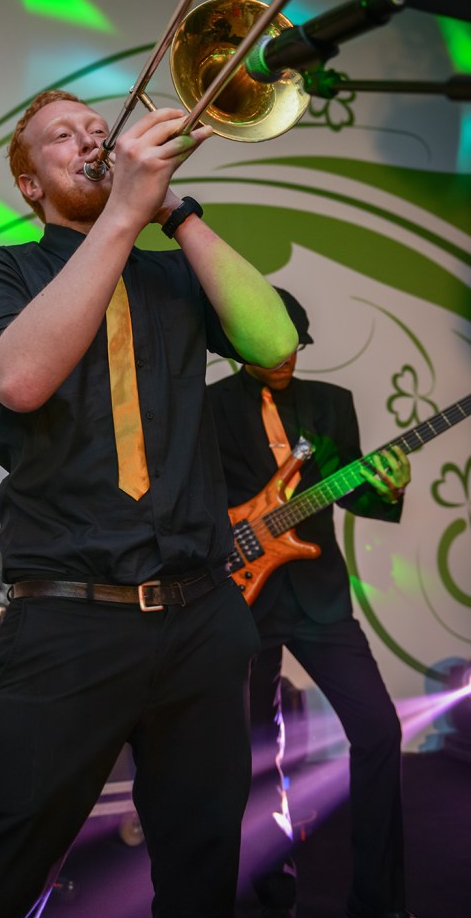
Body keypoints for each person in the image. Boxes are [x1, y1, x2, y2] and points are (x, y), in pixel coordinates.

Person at [0, 89, 298, 918]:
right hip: (70, 618)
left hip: (201, 614)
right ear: (29, 185)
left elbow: (275, 347)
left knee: (203, 866)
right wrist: (123, 212)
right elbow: (20, 380)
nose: (92, 143)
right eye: (63, 138)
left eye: (100, 131)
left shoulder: (173, 273)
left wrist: (174, 211)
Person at [206, 288, 418, 918]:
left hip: (320, 597)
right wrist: (232, 537)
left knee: (379, 731)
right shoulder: (207, 408)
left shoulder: (332, 403)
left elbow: (351, 489)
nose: (286, 361)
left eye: (294, 349)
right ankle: (272, 891)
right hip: (244, 598)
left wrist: (388, 488)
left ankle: (379, 902)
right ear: (239, 349)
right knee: (253, 753)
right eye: (271, 353)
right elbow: (191, 503)